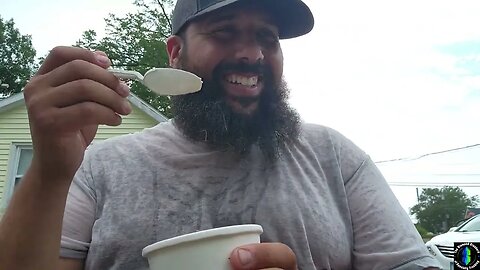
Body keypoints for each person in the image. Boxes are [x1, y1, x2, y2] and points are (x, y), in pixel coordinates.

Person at [0, 0, 441, 269]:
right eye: (225, 32)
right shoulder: (99, 166)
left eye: (267, 37)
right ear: (175, 53)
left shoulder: (335, 158)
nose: (251, 53)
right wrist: (50, 171)